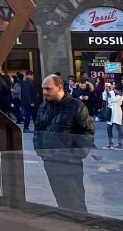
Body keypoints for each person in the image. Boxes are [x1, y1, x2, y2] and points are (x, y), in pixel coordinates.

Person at [33, 73, 95, 211]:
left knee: (75, 199)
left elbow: (87, 131)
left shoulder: (76, 105)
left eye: (48, 88)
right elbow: (37, 130)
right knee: (60, 197)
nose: (44, 92)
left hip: (69, 162)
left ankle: (80, 222)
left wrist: (75, 154)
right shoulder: (44, 106)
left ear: (59, 87)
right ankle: (67, 220)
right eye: (43, 89)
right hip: (50, 160)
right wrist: (41, 152)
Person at [102, 82, 123, 149]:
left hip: (117, 111)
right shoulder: (111, 92)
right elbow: (104, 98)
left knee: (118, 126)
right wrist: (105, 90)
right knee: (109, 127)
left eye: (113, 84)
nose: (112, 86)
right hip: (110, 110)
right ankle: (110, 143)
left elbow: (113, 100)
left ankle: (120, 143)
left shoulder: (120, 94)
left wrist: (111, 90)